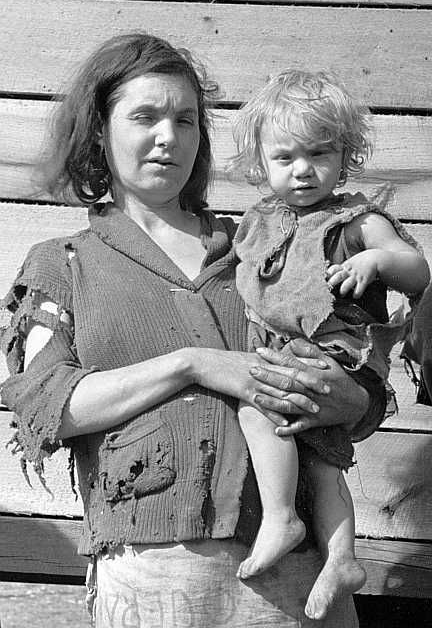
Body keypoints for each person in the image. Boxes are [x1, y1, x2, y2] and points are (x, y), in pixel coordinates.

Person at [1, 34, 385, 628]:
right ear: (99, 132)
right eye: (144, 117)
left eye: (185, 120)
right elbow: (48, 405)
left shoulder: (264, 247)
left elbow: (360, 380)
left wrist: (352, 397)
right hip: (154, 583)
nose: (168, 137)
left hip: (301, 582)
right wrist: (192, 363)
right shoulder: (64, 265)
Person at [231, 70, 430, 619]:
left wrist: (376, 260)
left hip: (346, 356)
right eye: (285, 157)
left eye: (320, 153)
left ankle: (281, 519)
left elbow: (417, 271)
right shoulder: (262, 223)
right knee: (323, 465)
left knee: (256, 405)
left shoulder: (358, 222)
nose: (302, 169)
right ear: (261, 164)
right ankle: (341, 556)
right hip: (300, 356)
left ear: (347, 155)